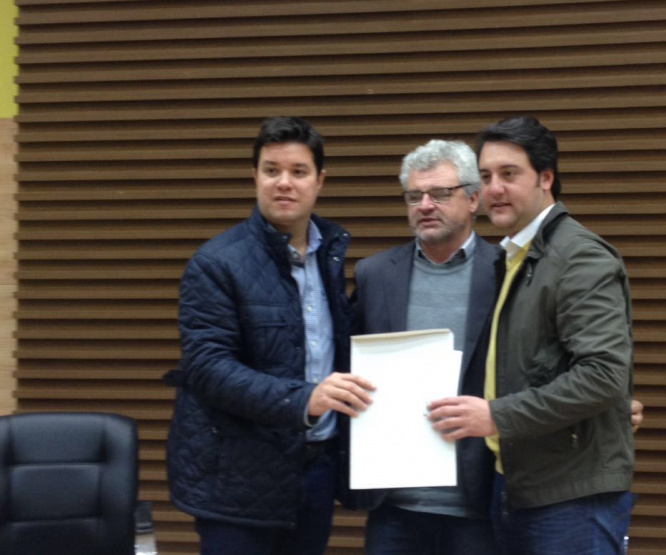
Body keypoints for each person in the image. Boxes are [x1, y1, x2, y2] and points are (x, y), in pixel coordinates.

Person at [165, 116, 375, 555]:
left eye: (298, 171)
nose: (284, 183)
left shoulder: (329, 255)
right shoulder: (216, 263)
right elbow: (208, 368)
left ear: (320, 181)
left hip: (315, 469)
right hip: (237, 481)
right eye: (271, 170)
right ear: (255, 176)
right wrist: (304, 399)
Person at [428, 115, 636, 554]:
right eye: (486, 176)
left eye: (509, 174)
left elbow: (603, 376)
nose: (494, 189)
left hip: (571, 496)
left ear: (546, 177)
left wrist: (496, 416)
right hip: (518, 486)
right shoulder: (515, 257)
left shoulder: (579, 258)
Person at [349, 139, 503, 555]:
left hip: (477, 502)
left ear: (474, 199)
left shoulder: (506, 271)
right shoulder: (375, 274)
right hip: (394, 504)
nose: (425, 205)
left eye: (440, 193)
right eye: (415, 196)